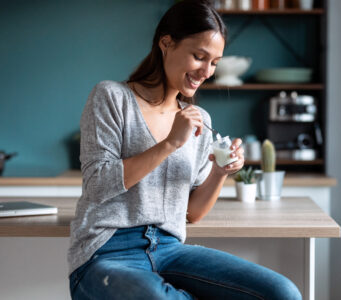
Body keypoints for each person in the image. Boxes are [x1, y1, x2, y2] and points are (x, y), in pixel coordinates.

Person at [67, 1, 302, 299]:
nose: (207, 71)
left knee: (283, 293)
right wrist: (170, 144)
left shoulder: (200, 120)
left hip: (169, 249)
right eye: (199, 56)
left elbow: (192, 213)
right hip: (107, 252)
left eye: (215, 62)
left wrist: (220, 171)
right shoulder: (111, 97)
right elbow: (97, 186)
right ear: (166, 43)